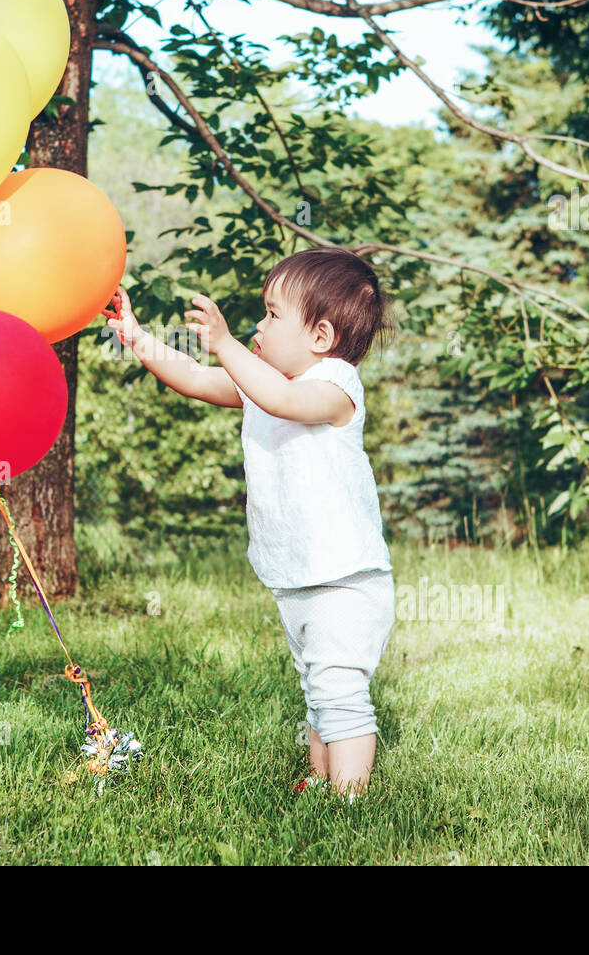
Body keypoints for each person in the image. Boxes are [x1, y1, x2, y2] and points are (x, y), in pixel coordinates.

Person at [104, 246, 395, 798]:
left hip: (346, 580)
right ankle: (322, 776)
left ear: (321, 336)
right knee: (316, 687)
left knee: (338, 689)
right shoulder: (264, 382)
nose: (259, 324)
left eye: (272, 314)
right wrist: (137, 336)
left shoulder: (335, 387)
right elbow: (193, 377)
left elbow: (284, 399)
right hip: (297, 576)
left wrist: (227, 343)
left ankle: (353, 800)